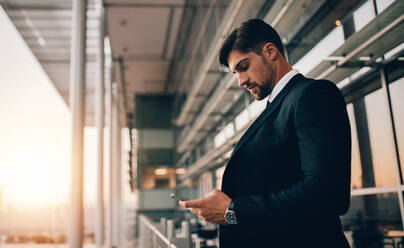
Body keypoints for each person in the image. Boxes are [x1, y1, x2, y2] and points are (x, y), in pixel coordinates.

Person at [180, 18, 351, 247]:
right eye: (236, 73)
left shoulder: (312, 95)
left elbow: (326, 192)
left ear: (270, 51)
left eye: (243, 66)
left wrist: (233, 210)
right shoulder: (281, 105)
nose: (241, 81)